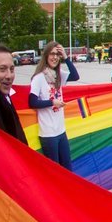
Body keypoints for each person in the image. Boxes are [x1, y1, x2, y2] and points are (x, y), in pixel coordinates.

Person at [27, 42, 80, 170]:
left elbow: (75, 76)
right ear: (46, 56)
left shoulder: (58, 75)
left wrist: (66, 57)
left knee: (68, 168)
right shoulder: (38, 78)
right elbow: (32, 102)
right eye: (52, 54)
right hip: (48, 134)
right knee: (56, 171)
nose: (55, 57)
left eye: (57, 54)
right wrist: (52, 102)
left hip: (61, 131)